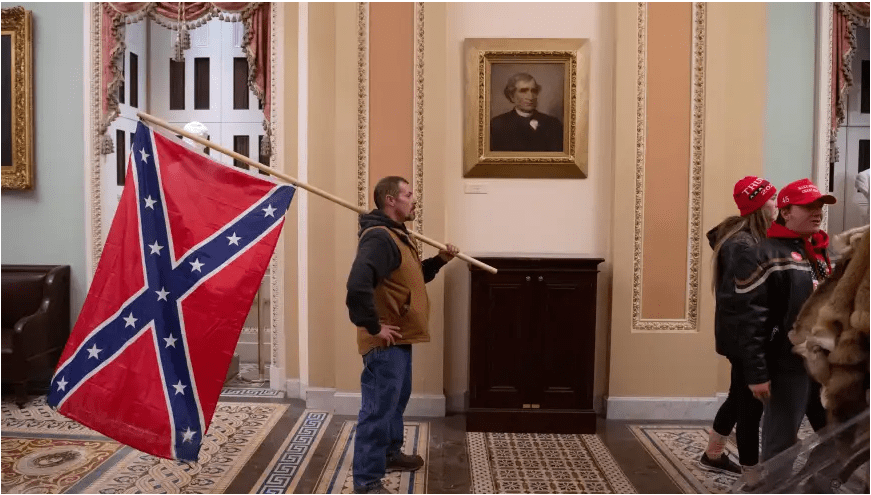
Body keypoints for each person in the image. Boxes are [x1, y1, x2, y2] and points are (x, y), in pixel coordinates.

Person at [346, 176, 458, 494]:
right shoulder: (379, 237)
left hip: (402, 336)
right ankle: (366, 482)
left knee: (395, 403)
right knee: (378, 409)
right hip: (385, 341)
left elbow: (410, 278)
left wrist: (440, 261)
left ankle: (390, 455)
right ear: (391, 200)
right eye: (408, 194)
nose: (414, 200)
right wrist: (373, 327)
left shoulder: (398, 235)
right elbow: (357, 285)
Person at [732, 178, 836, 462]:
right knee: (781, 446)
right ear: (786, 212)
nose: (817, 212)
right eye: (808, 206)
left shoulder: (818, 251)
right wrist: (757, 373)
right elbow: (750, 321)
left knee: (840, 437)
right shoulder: (762, 254)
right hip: (786, 364)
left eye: (820, 206)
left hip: (823, 361)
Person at [699, 176, 777, 476]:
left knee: (738, 395)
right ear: (758, 204)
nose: (776, 203)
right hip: (745, 336)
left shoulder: (743, 238)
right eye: (772, 198)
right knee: (751, 407)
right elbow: (746, 302)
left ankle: (713, 454)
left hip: (740, 335)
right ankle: (752, 474)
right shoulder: (744, 244)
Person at [490, 72, 563, 152]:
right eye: (523, 91)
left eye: (534, 91)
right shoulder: (497, 125)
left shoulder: (554, 124)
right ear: (512, 96)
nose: (530, 97)